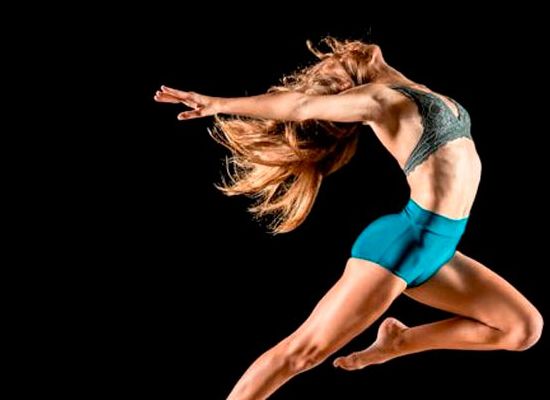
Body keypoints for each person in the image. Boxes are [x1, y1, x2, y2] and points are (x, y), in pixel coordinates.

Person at [154, 37, 543, 400]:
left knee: (522, 328)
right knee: (301, 353)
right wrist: (216, 103)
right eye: (334, 64)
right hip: (403, 243)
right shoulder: (378, 100)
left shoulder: (413, 89)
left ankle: (399, 342)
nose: (339, 54)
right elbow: (299, 106)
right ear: (346, 85)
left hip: (439, 247)